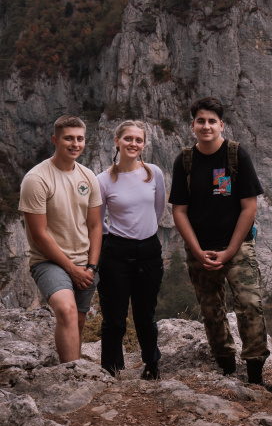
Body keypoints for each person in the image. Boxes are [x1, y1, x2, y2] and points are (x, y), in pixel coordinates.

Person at [169, 97, 269, 385]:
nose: (206, 126)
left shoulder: (236, 155)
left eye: (212, 121)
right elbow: (179, 210)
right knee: (211, 310)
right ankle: (226, 368)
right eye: (201, 120)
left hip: (236, 245)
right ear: (193, 126)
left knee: (249, 304)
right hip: (200, 248)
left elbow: (249, 206)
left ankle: (255, 375)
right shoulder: (185, 161)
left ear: (221, 125)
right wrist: (198, 251)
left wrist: (229, 251)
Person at [19, 116, 103, 364]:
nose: (75, 143)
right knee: (66, 311)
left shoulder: (88, 177)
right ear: (55, 140)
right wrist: (72, 269)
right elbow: (39, 234)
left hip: (86, 262)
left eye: (80, 138)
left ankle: (75, 366)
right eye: (68, 138)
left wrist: (91, 266)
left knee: (77, 319)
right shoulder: (37, 179)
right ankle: (71, 376)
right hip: (49, 262)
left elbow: (95, 225)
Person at [96, 121, 166, 380]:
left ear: (144, 144)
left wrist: (143, 232)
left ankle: (152, 365)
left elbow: (158, 210)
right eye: (128, 139)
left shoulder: (153, 173)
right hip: (116, 250)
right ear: (117, 141)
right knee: (114, 315)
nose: (133, 144)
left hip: (148, 249)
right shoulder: (103, 180)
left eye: (138, 140)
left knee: (145, 314)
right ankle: (111, 370)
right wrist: (116, 240)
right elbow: (98, 221)